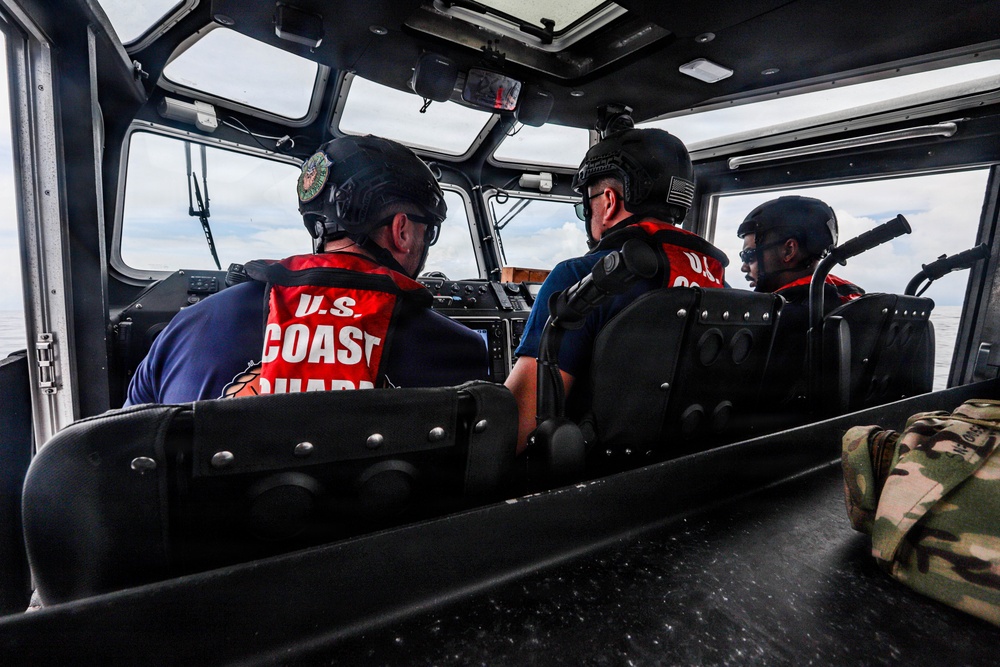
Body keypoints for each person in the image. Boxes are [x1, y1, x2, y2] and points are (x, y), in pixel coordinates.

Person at [126, 135, 488, 405]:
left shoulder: (188, 329)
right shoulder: (461, 350)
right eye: (429, 231)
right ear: (402, 230)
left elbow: (127, 455)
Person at [504, 128, 728, 453]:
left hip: (596, 486)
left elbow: (518, 431)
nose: (588, 215)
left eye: (587, 206)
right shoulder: (720, 282)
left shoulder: (583, 278)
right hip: (699, 473)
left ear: (608, 202)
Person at [736, 196, 864, 308]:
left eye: (749, 255)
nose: (744, 267)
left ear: (788, 250)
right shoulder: (848, 297)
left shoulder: (782, 316)